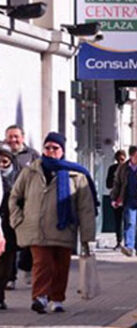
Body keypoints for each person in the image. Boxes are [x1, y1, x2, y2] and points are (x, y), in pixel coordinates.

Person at [8, 133, 97, 314]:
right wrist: (17, 221)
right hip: (36, 228)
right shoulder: (30, 171)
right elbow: (14, 198)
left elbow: (86, 208)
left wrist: (87, 236)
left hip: (64, 228)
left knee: (60, 265)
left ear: (62, 151)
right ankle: (40, 297)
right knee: (42, 263)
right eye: (47, 147)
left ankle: (57, 299)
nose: (50, 151)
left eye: (55, 148)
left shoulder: (76, 175)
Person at [5, 125, 39, 290]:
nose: (13, 140)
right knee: (9, 243)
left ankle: (26, 267)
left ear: (23, 138)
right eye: (10, 137)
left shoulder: (32, 155)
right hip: (5, 205)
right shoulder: (2, 153)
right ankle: (9, 277)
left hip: (27, 204)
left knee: (28, 240)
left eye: (16, 137)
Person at [0, 144, 22, 310]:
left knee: (6, 264)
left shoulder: (19, 176)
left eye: (5, 159)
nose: (2, 162)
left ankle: (1, 294)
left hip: (10, 226)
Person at [105, 150, 126, 249]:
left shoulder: (129, 169)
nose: (120, 162)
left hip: (127, 197)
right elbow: (108, 184)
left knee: (128, 219)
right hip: (116, 197)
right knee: (118, 220)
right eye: (118, 159)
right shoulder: (112, 169)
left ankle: (128, 241)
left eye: (122, 159)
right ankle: (119, 241)